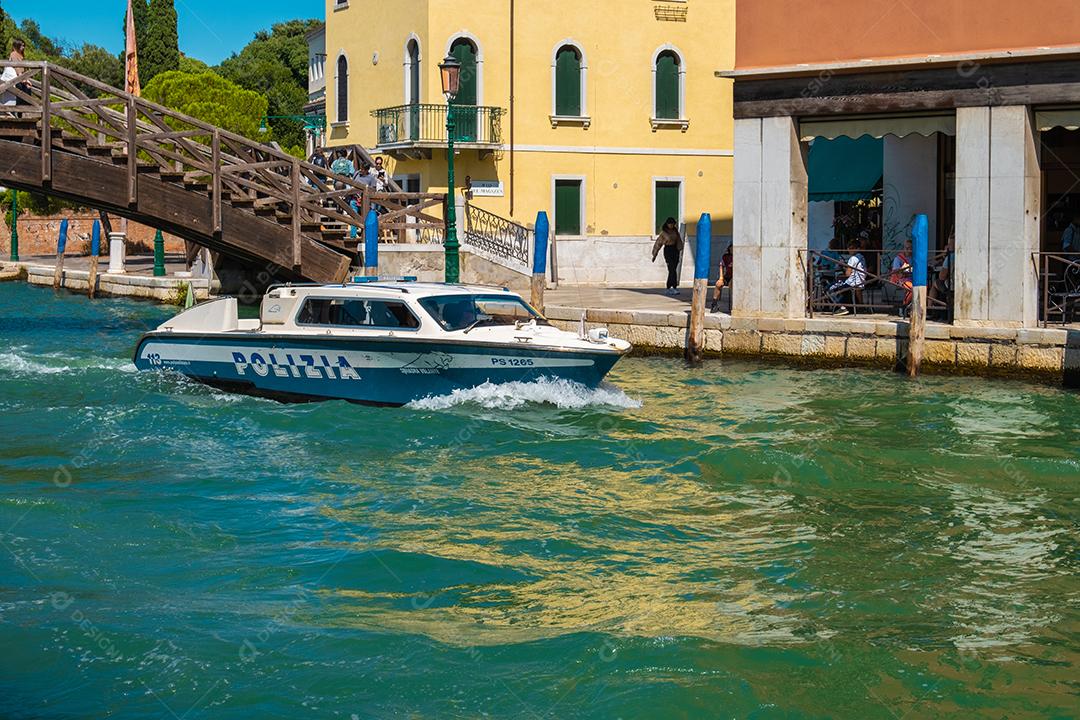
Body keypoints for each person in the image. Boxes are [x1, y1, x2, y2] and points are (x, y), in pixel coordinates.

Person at [827, 237, 867, 316]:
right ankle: (849, 306)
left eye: (852, 248)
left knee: (830, 288)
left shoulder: (852, 258)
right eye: (848, 248)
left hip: (853, 282)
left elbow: (847, 274)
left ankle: (842, 307)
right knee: (841, 286)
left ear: (857, 248)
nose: (849, 250)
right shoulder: (862, 257)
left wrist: (844, 269)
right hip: (860, 281)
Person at [651, 217, 684, 296]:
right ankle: (671, 287)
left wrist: (680, 249)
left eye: (672, 224)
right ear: (667, 224)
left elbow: (679, 240)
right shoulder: (664, 233)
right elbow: (658, 244)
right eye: (670, 224)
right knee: (671, 268)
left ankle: (671, 287)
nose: (671, 225)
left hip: (675, 250)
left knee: (674, 269)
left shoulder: (675, 231)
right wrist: (654, 254)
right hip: (668, 250)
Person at [929, 231, 955, 313]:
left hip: (952, 286)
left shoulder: (950, 257)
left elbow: (941, 276)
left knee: (935, 283)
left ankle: (930, 309)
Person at [889, 239, 914, 312]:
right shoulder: (898, 258)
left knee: (924, 287)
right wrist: (904, 270)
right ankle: (904, 306)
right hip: (901, 280)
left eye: (911, 248)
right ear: (904, 248)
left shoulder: (915, 257)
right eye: (907, 248)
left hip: (913, 279)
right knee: (911, 288)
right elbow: (897, 273)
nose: (909, 250)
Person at [710, 244, 733, 313]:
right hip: (726, 276)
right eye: (731, 248)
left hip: (734, 277)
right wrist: (721, 278)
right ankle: (714, 304)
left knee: (732, 284)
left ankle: (732, 305)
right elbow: (721, 267)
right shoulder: (725, 257)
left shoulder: (738, 257)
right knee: (718, 284)